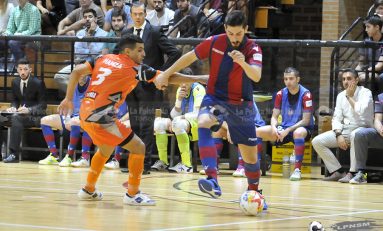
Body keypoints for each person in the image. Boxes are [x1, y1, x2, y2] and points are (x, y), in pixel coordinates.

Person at [58, 34, 206, 205]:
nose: (143, 54)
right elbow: (168, 77)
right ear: (127, 51)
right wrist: (200, 79)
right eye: (140, 50)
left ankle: (88, 189)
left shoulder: (102, 58)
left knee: (105, 150)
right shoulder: (134, 68)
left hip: (85, 113)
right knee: (139, 147)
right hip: (101, 116)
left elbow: (76, 71)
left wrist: (68, 99)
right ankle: (132, 194)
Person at [155, 10, 267, 207]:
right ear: (225, 29)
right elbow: (189, 57)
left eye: (238, 34)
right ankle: (212, 179)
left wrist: (242, 62)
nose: (234, 38)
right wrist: (166, 73)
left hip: (241, 104)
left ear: (246, 30)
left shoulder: (253, 48)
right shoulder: (215, 41)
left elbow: (256, 76)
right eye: (230, 33)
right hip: (215, 97)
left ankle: (255, 192)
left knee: (250, 157)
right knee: (203, 121)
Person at [126, 2, 181, 174]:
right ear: (131, 14)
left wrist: (161, 73)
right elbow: (118, 55)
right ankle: (133, 163)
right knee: (134, 124)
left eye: (141, 13)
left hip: (148, 86)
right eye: (135, 14)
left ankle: (145, 164)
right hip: (130, 85)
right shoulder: (126, 33)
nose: (138, 17)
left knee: (146, 125)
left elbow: (175, 52)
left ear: (145, 14)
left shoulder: (155, 32)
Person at [312, 69, 374, 182]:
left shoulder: (366, 93)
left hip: (363, 129)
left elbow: (360, 111)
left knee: (356, 134)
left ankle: (353, 172)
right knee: (317, 141)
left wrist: (349, 97)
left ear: (357, 80)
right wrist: (338, 134)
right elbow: (336, 118)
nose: (346, 82)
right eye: (344, 79)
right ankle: (338, 171)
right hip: (345, 130)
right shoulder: (341, 95)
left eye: (349, 79)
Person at [255, 67, 314, 181]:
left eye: (291, 79)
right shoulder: (280, 94)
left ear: (298, 79)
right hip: (284, 128)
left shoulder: (306, 95)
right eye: (286, 79)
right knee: (257, 131)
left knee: (298, 132)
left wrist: (288, 130)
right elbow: (274, 116)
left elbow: (306, 120)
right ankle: (256, 167)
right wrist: (274, 128)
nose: (288, 81)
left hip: (302, 129)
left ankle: (297, 170)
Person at [38, 75, 93, 167]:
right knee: (45, 120)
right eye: (80, 72)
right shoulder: (72, 83)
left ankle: (74, 157)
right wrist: (67, 117)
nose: (82, 75)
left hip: (88, 118)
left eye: (84, 72)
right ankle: (54, 156)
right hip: (73, 116)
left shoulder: (94, 84)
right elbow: (69, 103)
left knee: (74, 122)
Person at [151, 82, 205, 173]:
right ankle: (163, 162)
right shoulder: (180, 89)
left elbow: (198, 114)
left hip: (200, 123)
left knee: (177, 123)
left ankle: (186, 165)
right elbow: (174, 114)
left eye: (185, 81)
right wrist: (179, 100)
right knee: (158, 123)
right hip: (183, 121)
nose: (183, 85)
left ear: (191, 80)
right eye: (180, 82)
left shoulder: (198, 89)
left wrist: (178, 118)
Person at [3, 58, 46, 163]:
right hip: (19, 115)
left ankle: (14, 154)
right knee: (2, 118)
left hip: (35, 116)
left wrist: (29, 110)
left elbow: (43, 105)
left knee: (16, 119)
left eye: (25, 69)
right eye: (20, 69)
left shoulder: (38, 83)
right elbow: (15, 100)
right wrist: (13, 107)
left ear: (30, 70)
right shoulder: (15, 82)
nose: (23, 72)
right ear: (17, 70)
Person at [349, 92, 383, 184]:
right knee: (360, 134)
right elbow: (377, 120)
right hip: (381, 136)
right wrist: (380, 129)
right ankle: (361, 173)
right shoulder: (380, 97)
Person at [355, 15, 383, 87]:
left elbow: (379, 66)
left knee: (365, 77)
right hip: (369, 70)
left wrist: (365, 73)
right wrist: (355, 72)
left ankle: (370, 98)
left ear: (377, 27)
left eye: (368, 27)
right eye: (365, 27)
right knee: (345, 74)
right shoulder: (366, 41)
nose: (366, 30)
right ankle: (349, 96)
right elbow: (361, 63)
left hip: (379, 72)